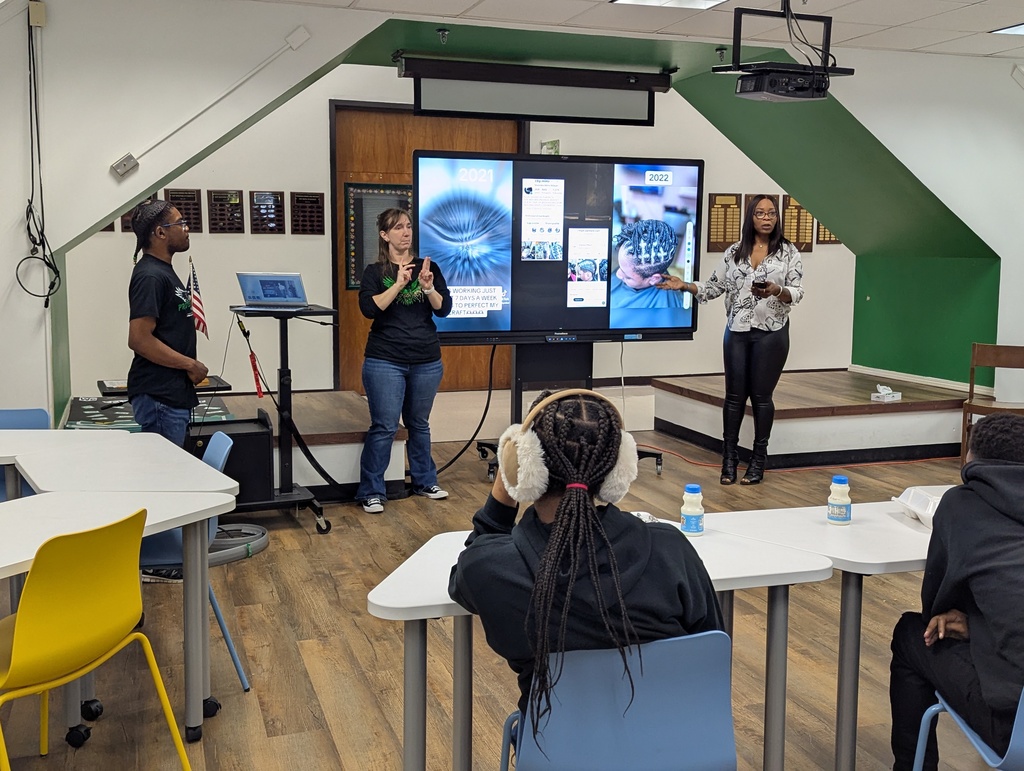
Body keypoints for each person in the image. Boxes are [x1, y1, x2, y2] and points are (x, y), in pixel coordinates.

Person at [449, 389, 723, 743]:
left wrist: (503, 496)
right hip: (677, 749)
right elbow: (711, 650)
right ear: (619, 466)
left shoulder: (490, 569)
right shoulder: (670, 549)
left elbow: (468, 568)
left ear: (521, 465)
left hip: (558, 756)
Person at [888, 413, 1024, 770]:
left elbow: (937, 606)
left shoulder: (961, 503)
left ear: (970, 459)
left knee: (912, 633)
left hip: (1015, 725)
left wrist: (974, 625)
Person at [658, 194, 803, 485]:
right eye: (760, 213)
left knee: (761, 399)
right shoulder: (734, 252)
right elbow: (714, 287)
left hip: (772, 333)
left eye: (771, 213)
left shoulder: (789, 253)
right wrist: (685, 285)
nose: (766, 218)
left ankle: (758, 462)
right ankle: (729, 460)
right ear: (750, 217)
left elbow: (797, 293)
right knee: (734, 398)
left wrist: (776, 289)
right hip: (737, 331)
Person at [356, 208, 453, 514]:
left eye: (409, 226)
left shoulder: (429, 267)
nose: (406, 232)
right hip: (385, 359)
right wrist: (397, 284)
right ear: (384, 235)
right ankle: (372, 490)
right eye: (398, 228)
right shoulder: (375, 272)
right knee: (384, 426)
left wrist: (428, 287)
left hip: (426, 358)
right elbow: (370, 310)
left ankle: (425, 481)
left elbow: (443, 309)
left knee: (419, 424)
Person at [127, 199, 208, 448]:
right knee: (164, 480)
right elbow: (139, 339)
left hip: (171, 394)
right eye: (180, 223)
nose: (186, 228)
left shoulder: (162, 271)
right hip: (159, 397)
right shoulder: (150, 276)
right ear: (160, 232)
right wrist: (189, 364)